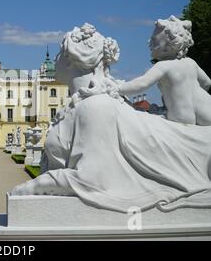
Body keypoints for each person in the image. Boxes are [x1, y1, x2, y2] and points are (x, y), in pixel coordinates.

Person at [11, 21, 211, 213]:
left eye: (59, 54)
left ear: (73, 60)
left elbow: (92, 179)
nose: (55, 60)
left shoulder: (96, 106)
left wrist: (32, 186)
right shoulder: (87, 104)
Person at [118, 15, 211, 126]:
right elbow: (207, 83)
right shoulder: (191, 62)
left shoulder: (163, 65)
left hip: (181, 114)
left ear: (168, 46)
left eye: (154, 41)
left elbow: (142, 83)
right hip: (207, 108)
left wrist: (118, 88)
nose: (149, 43)